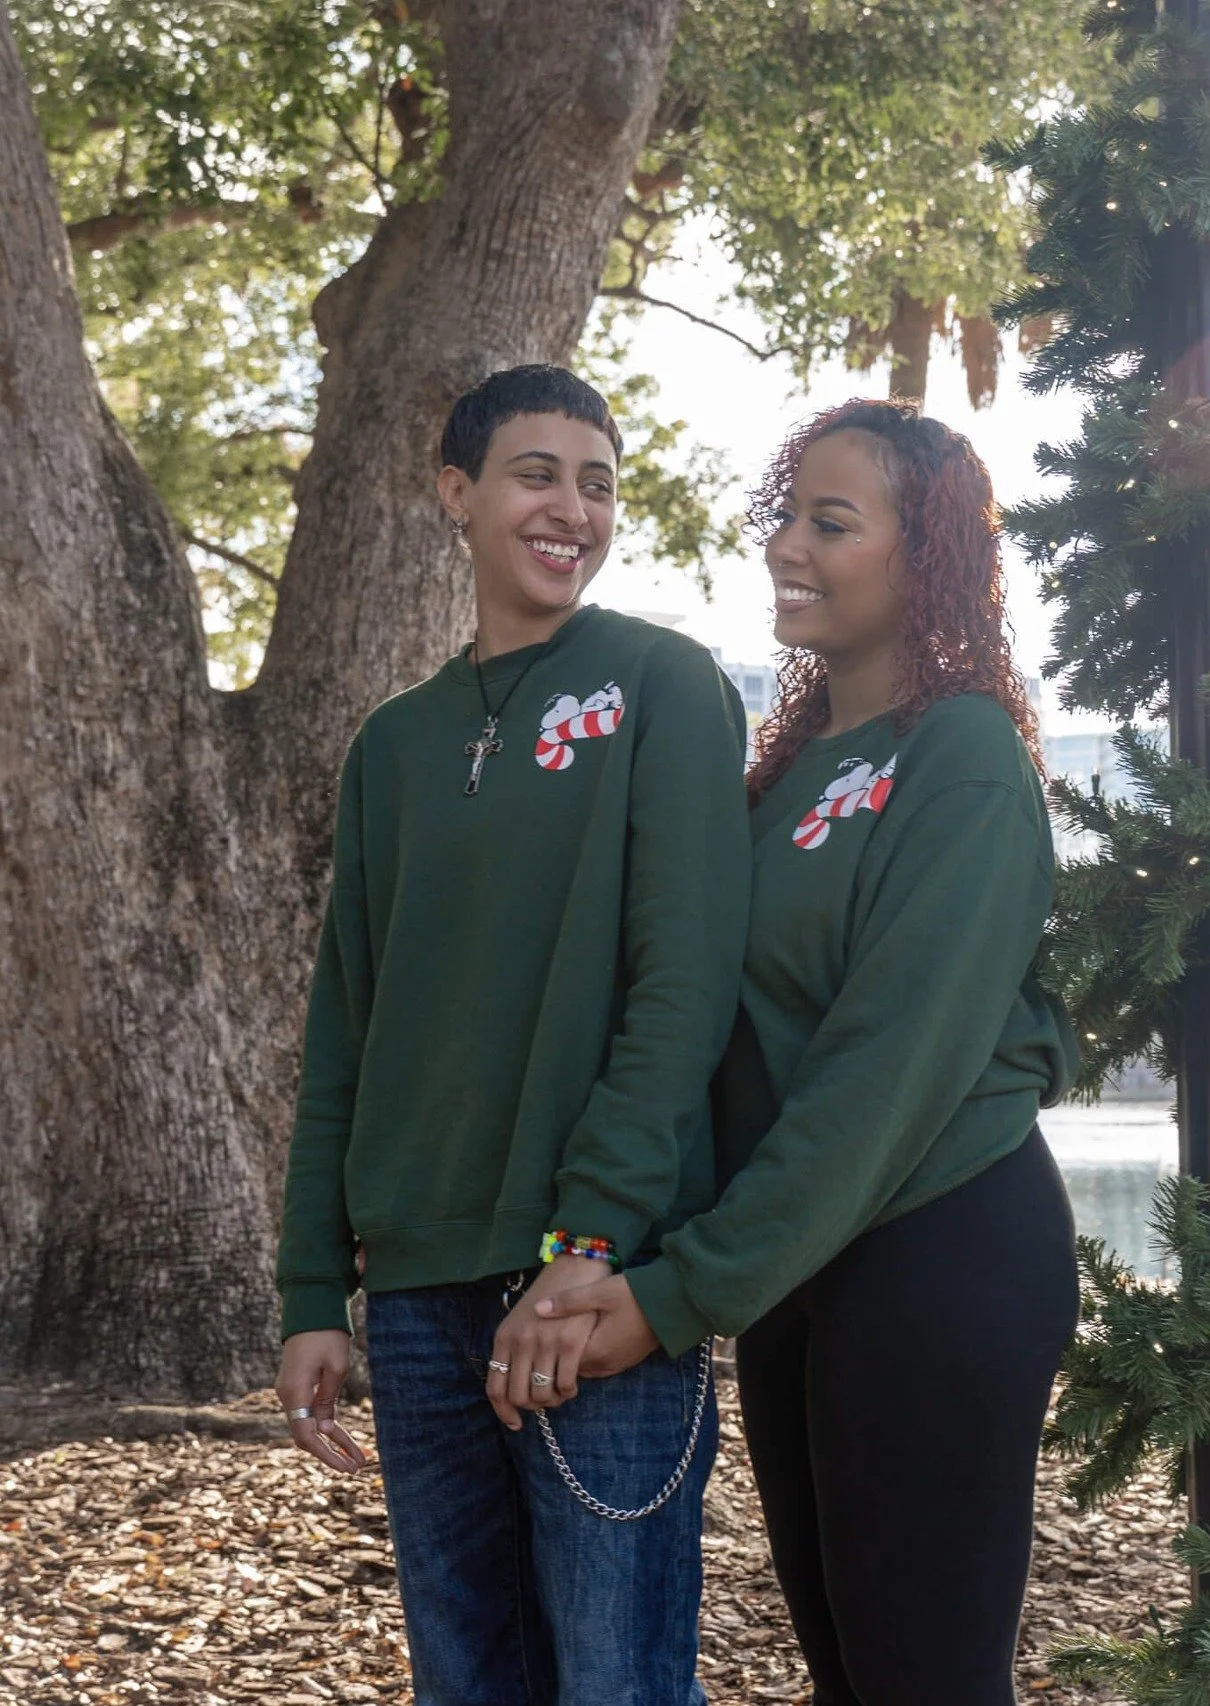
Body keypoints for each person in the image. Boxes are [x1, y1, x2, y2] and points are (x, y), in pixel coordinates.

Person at [541, 398, 1082, 1706]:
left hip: (941, 1246)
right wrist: (598, 1250)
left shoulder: (961, 758)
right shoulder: (782, 773)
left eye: (830, 521)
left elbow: (883, 1076)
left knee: (926, 1679)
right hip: (798, 1270)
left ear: (927, 552)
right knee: (847, 1677)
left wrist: (678, 1297)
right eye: (786, 513)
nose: (788, 542)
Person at [274, 364, 751, 1706]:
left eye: (599, 483)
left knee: (616, 1684)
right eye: (539, 472)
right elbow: (345, 1030)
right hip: (421, 1296)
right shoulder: (397, 745)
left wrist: (591, 1238)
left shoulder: (662, 683)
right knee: (466, 1682)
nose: (574, 507)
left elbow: (685, 989)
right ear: (456, 493)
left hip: (593, 1297)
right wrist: (314, 1289)